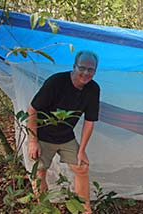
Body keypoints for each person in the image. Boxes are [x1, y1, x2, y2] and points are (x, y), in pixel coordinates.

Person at [27, 51, 100, 214]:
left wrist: (81, 151)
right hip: (42, 135)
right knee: (39, 171)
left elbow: (90, 121)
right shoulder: (56, 82)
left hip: (66, 136)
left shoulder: (93, 89)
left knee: (82, 167)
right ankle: (44, 208)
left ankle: (85, 209)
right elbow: (32, 110)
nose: (86, 73)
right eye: (82, 68)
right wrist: (33, 141)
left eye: (91, 70)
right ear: (74, 66)